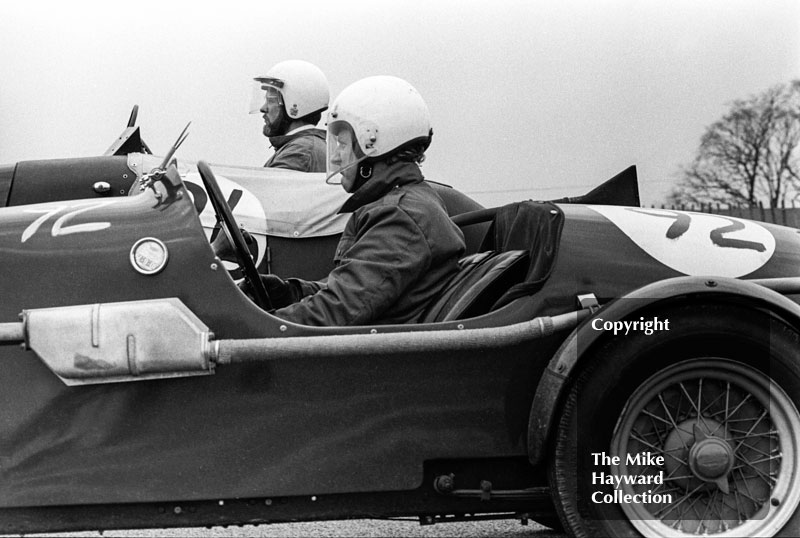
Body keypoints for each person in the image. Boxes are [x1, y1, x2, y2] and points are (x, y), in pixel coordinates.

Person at [251, 76, 466, 326]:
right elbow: (348, 291)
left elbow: (337, 312)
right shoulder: (403, 204)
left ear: (373, 144)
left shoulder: (400, 217)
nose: (338, 154)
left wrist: (253, 326)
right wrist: (289, 291)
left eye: (342, 143)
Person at [251, 60, 329, 172]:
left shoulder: (300, 152)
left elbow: (271, 189)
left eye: (271, 100)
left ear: (294, 105)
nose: (263, 108)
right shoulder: (305, 146)